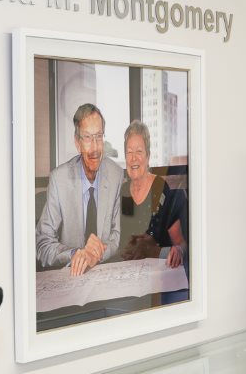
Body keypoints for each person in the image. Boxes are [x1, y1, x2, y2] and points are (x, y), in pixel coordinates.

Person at [35, 103, 124, 276]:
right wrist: (75, 254)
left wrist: (96, 254)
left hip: (103, 275)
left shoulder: (116, 175)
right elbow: (43, 244)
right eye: (88, 138)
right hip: (70, 277)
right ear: (77, 143)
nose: (95, 147)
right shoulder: (59, 180)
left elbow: (116, 236)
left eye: (99, 136)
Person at [119, 120, 188, 270]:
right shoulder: (122, 192)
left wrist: (178, 250)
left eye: (139, 151)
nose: (133, 158)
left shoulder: (162, 190)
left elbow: (181, 244)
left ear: (148, 156)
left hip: (159, 275)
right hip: (126, 274)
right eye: (129, 152)